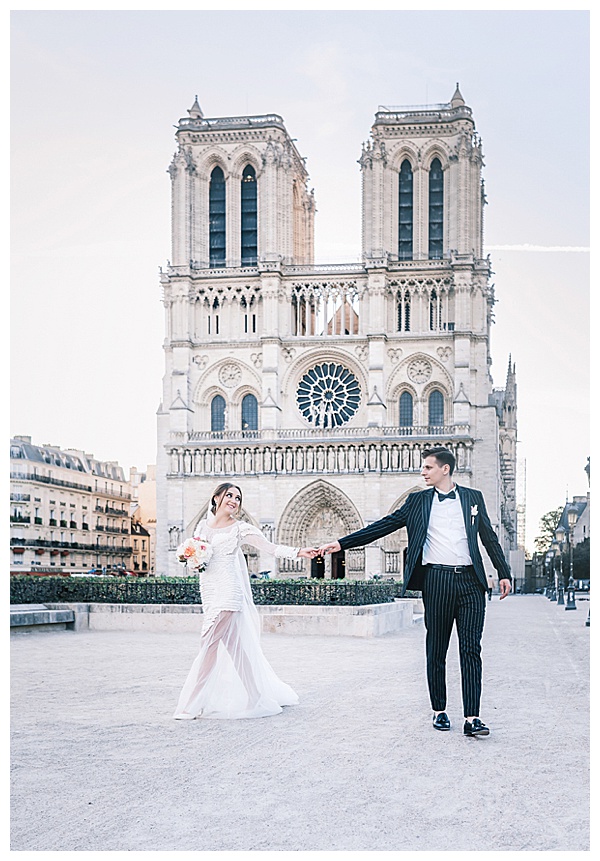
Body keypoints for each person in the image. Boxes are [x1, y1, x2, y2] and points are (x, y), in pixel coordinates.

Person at [318, 447, 512, 737]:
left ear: (445, 469)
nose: (423, 472)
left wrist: (504, 572)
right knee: (437, 649)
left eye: (428, 467)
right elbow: (384, 526)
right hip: (436, 581)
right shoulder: (417, 501)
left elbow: (489, 537)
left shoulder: (474, 498)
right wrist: (342, 544)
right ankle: (440, 710)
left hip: (471, 582)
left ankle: (472, 717)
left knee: (471, 649)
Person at [173, 482, 316, 720]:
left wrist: (299, 552)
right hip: (209, 591)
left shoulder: (240, 529)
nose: (234, 500)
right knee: (235, 648)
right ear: (217, 497)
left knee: (208, 645)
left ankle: (193, 703)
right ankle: (256, 696)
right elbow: (199, 560)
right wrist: (191, 558)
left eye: (238, 498)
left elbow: (270, 548)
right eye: (229, 495)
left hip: (229, 592)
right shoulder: (201, 526)